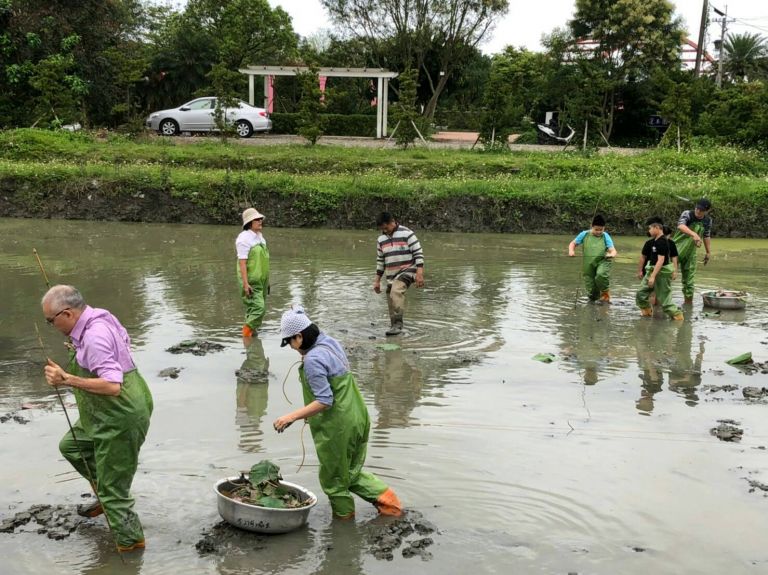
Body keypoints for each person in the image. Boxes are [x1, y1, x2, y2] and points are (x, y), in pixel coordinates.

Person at [41, 285, 153, 552]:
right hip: (103, 412)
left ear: (67, 314)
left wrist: (66, 378)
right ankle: (104, 494)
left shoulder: (95, 336)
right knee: (73, 446)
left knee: (116, 493)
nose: (50, 326)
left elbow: (114, 385)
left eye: (50, 321)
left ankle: (131, 547)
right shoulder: (97, 316)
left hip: (119, 414)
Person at [273, 306, 402, 519]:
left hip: (338, 426)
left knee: (334, 480)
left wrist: (291, 417)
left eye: (290, 342)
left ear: (299, 336)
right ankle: (391, 505)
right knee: (350, 473)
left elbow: (325, 400)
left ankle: (343, 530)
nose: (291, 348)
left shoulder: (313, 360)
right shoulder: (329, 342)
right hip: (357, 416)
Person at [373, 212, 425, 336]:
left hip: (408, 270)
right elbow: (380, 261)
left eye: (386, 228)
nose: (385, 231)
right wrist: (377, 280)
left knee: (396, 291)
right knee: (390, 297)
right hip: (391, 274)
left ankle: (398, 324)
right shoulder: (381, 240)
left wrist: (419, 273)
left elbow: (418, 253)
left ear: (393, 222)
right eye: (382, 229)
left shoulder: (407, 234)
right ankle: (394, 327)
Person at [636, 218, 684, 320]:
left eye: (650, 229)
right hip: (651, 270)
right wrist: (645, 272)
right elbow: (645, 257)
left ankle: (678, 317)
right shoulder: (653, 241)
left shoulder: (662, 242)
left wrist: (653, 276)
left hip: (661, 273)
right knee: (640, 293)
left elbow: (661, 260)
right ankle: (647, 313)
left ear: (656, 228)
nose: (649, 231)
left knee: (665, 301)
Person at [568, 214, 618, 302]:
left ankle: (606, 295)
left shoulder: (605, 236)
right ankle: (594, 304)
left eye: (601, 230)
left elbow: (613, 250)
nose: (599, 232)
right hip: (588, 264)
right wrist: (571, 251)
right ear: (592, 227)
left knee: (601, 275)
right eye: (596, 229)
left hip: (603, 261)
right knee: (591, 290)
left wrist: (611, 255)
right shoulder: (584, 234)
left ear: (604, 228)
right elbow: (573, 243)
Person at [236, 207, 270, 338]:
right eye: (257, 219)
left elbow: (264, 261)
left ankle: (251, 337)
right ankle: (246, 333)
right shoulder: (244, 239)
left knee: (254, 308)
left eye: (260, 219)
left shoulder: (260, 238)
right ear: (250, 222)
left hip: (262, 278)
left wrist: (268, 281)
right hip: (251, 279)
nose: (260, 221)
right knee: (259, 308)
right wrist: (245, 284)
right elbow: (242, 262)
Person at [671, 198, 712, 304]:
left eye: (701, 210)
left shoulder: (707, 220)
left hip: (690, 253)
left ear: (706, 211)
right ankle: (658, 304)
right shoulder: (687, 214)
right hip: (676, 249)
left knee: (689, 281)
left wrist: (708, 252)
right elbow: (680, 226)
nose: (698, 211)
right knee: (666, 275)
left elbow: (706, 235)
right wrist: (694, 234)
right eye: (697, 208)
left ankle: (688, 306)